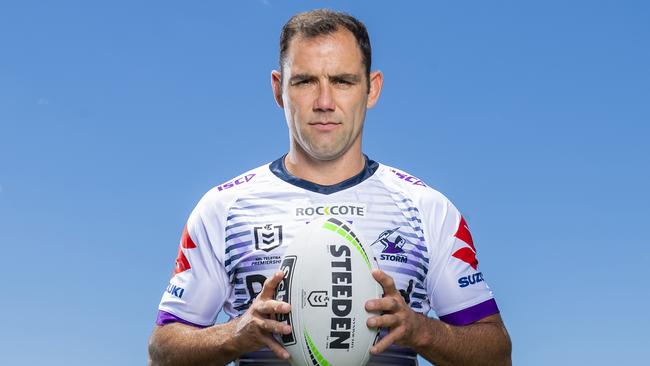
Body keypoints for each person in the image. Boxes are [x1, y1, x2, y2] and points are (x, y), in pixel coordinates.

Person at [148, 9, 512, 366]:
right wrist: (236, 333)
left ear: (372, 88)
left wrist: (421, 331)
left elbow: (498, 354)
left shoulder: (427, 208)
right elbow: (161, 352)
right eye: (305, 81)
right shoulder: (223, 209)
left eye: (342, 81)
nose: (324, 102)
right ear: (279, 90)